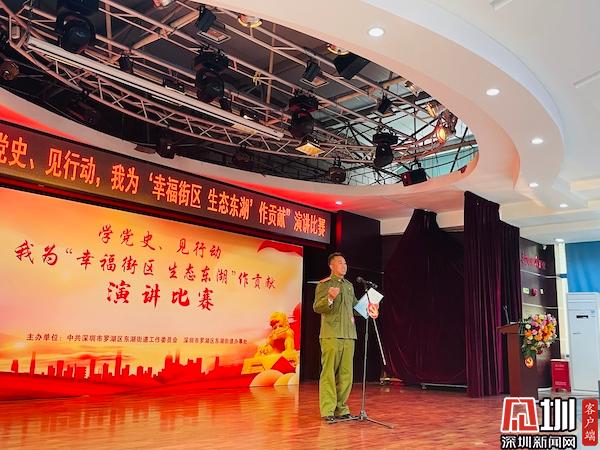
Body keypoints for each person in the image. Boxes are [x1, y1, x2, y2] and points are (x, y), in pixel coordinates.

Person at [313, 252, 358, 423]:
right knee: (329, 373)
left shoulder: (349, 286)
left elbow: (355, 307)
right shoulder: (324, 284)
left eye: (345, 263)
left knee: (346, 374)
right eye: (340, 262)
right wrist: (330, 298)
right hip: (331, 334)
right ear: (331, 266)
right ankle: (328, 410)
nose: (344, 265)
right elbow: (317, 307)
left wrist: (370, 308)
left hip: (349, 335)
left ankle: (342, 409)